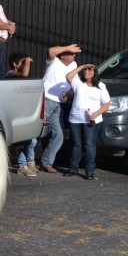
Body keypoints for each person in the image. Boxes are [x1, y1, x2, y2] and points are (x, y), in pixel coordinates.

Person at [39, 43, 82, 174]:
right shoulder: (54, 61)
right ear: (62, 55)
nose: (74, 55)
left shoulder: (74, 65)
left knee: (59, 134)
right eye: (71, 53)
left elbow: (74, 84)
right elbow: (50, 50)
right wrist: (67, 48)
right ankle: (25, 161)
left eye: (75, 53)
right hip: (46, 99)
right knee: (37, 131)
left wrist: (69, 94)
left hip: (59, 103)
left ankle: (46, 162)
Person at [64, 63, 111, 180]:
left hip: (92, 119)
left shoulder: (100, 86)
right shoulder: (78, 83)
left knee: (89, 144)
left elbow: (107, 104)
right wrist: (81, 66)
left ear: (95, 72)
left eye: (89, 70)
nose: (86, 72)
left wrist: (96, 114)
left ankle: (89, 171)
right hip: (75, 118)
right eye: (85, 70)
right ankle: (73, 168)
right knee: (76, 144)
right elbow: (68, 76)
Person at [6, 53, 37, 176]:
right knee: (22, 139)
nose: (25, 65)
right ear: (15, 64)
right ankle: (22, 165)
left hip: (23, 110)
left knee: (32, 139)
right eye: (22, 62)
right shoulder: (10, 73)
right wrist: (28, 61)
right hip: (13, 111)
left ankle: (30, 162)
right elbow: (24, 74)